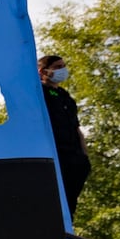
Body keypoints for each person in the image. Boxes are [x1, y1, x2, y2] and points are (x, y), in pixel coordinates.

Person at [38, 53, 91, 218]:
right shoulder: (38, 93)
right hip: (55, 154)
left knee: (70, 203)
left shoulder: (65, 96)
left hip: (74, 155)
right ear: (43, 71)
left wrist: (84, 155)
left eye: (63, 66)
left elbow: (76, 128)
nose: (63, 70)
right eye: (57, 67)